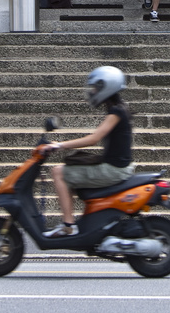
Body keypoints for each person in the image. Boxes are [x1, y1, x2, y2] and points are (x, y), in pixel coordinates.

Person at [42, 66, 134, 237]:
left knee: (58, 172)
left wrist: (59, 145)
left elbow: (93, 139)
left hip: (114, 169)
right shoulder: (120, 109)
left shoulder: (116, 112)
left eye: (96, 87)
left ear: (108, 87)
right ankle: (85, 223)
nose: (93, 91)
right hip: (116, 165)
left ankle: (68, 224)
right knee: (71, 169)